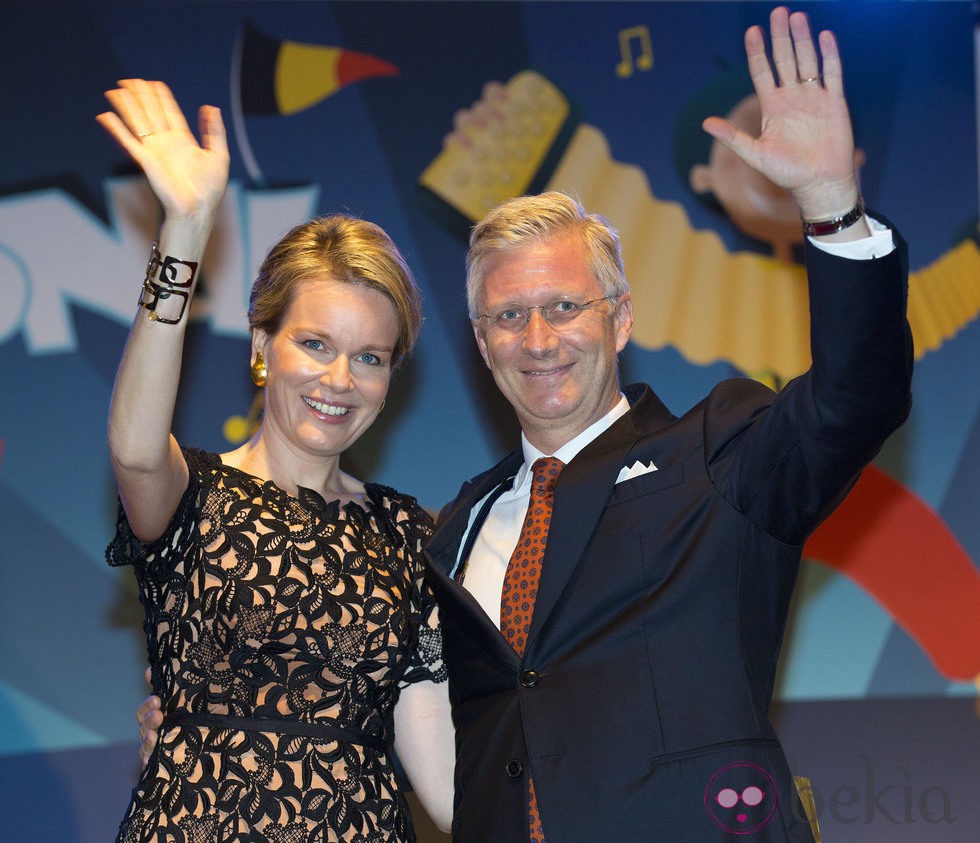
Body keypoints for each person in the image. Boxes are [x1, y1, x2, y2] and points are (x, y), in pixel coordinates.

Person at [139, 7, 914, 840]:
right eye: (508, 316)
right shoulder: (450, 533)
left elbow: (854, 399)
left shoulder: (718, 453)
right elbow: (412, 717)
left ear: (620, 319)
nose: (538, 340)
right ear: (479, 341)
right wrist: (210, 732)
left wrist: (832, 207)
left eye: (564, 307)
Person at [98, 79, 453, 841]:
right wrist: (187, 227)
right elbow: (132, 446)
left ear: (391, 379)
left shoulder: (409, 534)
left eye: (370, 357)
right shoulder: (195, 496)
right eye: (314, 344)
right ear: (263, 347)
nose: (339, 380)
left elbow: (447, 781)